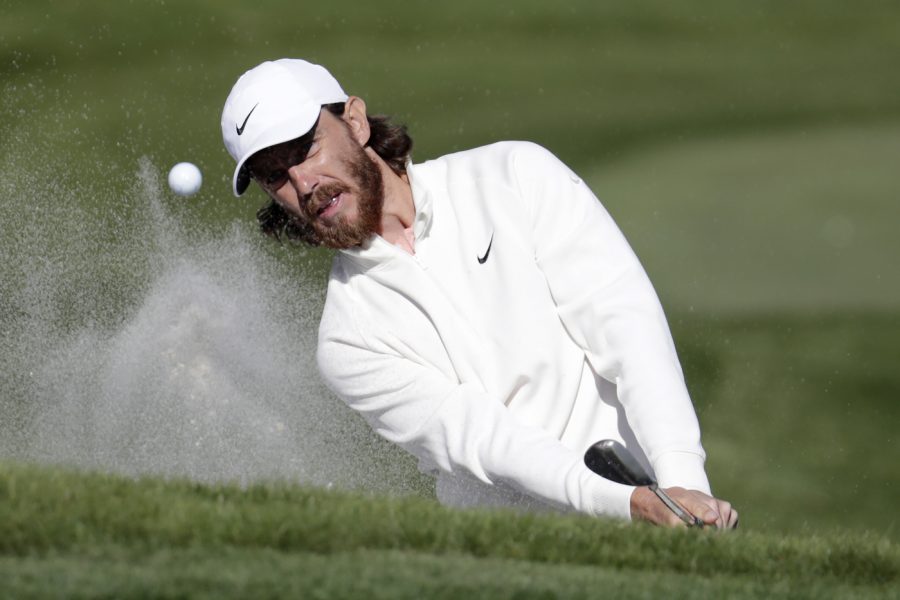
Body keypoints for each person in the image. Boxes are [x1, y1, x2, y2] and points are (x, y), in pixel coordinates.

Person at [221, 58, 738, 529]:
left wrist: (682, 482)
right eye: (275, 175)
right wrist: (629, 503)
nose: (303, 183)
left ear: (355, 121)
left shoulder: (514, 175)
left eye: (305, 149)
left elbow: (625, 327)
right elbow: (487, 441)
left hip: (656, 493)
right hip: (527, 554)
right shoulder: (346, 343)